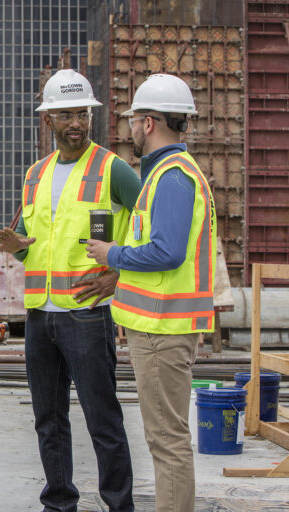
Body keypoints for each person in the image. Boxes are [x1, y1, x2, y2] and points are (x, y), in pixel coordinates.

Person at [0, 68, 140, 512]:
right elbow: (38, 248)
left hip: (88, 313)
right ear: (48, 119)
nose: (75, 122)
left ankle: (119, 505)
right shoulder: (35, 175)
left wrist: (120, 271)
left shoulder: (112, 169)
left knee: (103, 419)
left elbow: (151, 221)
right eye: (65, 114)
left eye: (82, 113)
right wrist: (18, 248)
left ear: (91, 116)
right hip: (41, 316)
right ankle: (58, 503)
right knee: (48, 421)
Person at [86, 73, 216, 512]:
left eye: (133, 120)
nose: (129, 130)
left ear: (148, 123)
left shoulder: (173, 178)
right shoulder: (165, 174)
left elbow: (167, 252)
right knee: (166, 437)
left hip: (163, 330)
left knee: (167, 440)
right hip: (158, 327)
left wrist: (113, 253)